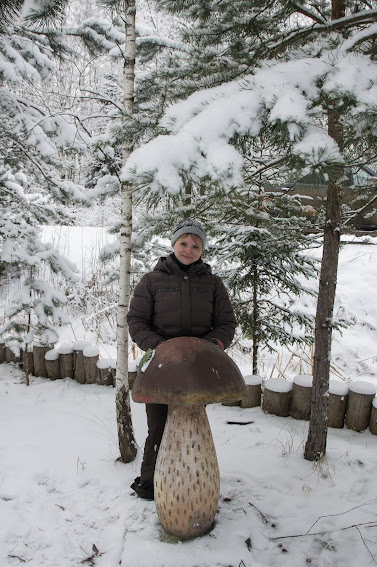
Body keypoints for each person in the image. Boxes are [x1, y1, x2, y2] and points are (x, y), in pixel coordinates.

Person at [127, 219, 237, 500]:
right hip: (159, 365)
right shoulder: (152, 280)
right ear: (174, 244)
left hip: (196, 368)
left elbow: (226, 322)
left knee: (191, 426)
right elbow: (137, 320)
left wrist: (212, 347)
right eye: (184, 243)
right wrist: (159, 349)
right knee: (158, 426)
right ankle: (151, 484)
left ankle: (191, 483)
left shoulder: (212, 283)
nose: (189, 250)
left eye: (196, 245)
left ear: (202, 249)